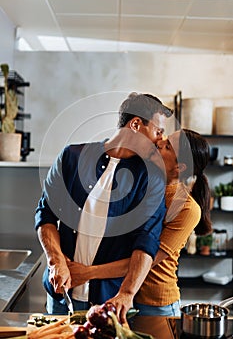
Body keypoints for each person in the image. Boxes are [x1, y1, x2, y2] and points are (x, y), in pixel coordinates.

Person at [35, 92, 173, 318]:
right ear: (136, 124)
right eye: (158, 131)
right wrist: (55, 260)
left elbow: (146, 242)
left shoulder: (151, 180)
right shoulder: (71, 157)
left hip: (109, 302)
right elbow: (45, 214)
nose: (160, 139)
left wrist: (127, 293)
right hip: (61, 295)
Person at [67, 129, 212, 320]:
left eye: (167, 146)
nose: (159, 142)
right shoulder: (142, 184)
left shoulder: (187, 209)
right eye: (165, 139)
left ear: (180, 167)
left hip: (155, 302)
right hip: (120, 293)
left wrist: (87, 273)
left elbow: (146, 260)